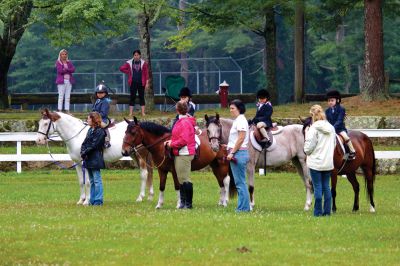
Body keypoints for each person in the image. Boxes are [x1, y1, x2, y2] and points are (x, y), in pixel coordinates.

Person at [304, 105, 336, 217]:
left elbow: (308, 148)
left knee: (317, 187)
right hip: (328, 162)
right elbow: (334, 144)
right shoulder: (331, 127)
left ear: (313, 115)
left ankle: (317, 212)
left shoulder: (313, 128)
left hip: (316, 162)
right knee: (326, 186)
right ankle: (327, 212)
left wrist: (306, 151)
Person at [164, 100, 196, 209]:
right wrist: (170, 142)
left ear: (177, 110)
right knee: (181, 178)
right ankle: (183, 203)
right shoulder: (182, 121)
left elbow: (183, 140)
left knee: (185, 178)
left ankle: (188, 204)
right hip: (180, 152)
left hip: (184, 153)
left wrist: (171, 144)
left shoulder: (184, 122)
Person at [227, 99, 251, 212]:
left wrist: (232, 152)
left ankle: (243, 208)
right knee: (240, 182)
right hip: (238, 152)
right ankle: (244, 207)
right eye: (230, 108)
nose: (230, 110)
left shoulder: (241, 120)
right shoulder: (238, 120)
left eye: (232, 108)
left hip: (238, 154)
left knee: (240, 183)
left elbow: (241, 138)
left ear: (239, 109)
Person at [80, 112, 106, 206]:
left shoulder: (100, 131)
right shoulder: (90, 130)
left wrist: (85, 152)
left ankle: (98, 200)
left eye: (89, 118)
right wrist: (82, 151)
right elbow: (85, 142)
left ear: (94, 119)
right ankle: (92, 199)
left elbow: (95, 145)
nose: (87, 120)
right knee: (91, 180)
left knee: (97, 179)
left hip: (95, 157)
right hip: (88, 157)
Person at [325, 90, 356, 159]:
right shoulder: (327, 111)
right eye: (329, 101)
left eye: (332, 100)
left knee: (346, 137)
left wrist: (332, 128)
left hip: (340, 129)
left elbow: (339, 120)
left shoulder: (341, 109)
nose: (330, 102)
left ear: (337, 100)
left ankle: (352, 152)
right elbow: (326, 120)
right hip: (330, 129)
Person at [119, 49, 149, 117]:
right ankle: (130, 113)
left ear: (140, 55)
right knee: (132, 97)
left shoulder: (143, 63)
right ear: (133, 56)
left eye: (137, 55)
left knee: (142, 97)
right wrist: (128, 72)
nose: (136, 56)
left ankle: (143, 113)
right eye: (135, 55)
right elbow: (121, 68)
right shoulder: (129, 63)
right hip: (133, 82)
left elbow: (146, 73)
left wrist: (147, 83)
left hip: (141, 82)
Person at [55, 49, 75, 113]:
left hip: (69, 81)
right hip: (61, 82)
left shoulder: (69, 62)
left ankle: (67, 110)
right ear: (60, 55)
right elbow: (60, 71)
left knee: (68, 97)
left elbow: (73, 69)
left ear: (67, 55)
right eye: (62, 54)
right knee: (61, 96)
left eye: (65, 54)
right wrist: (68, 70)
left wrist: (66, 69)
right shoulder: (58, 62)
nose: (64, 55)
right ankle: (60, 110)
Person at [92, 81, 111, 148]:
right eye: (98, 93)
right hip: (95, 118)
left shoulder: (105, 102)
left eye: (101, 93)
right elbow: (93, 110)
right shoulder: (97, 101)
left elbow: (103, 113)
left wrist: (95, 116)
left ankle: (107, 141)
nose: (99, 94)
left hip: (103, 119)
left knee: (102, 126)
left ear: (105, 93)